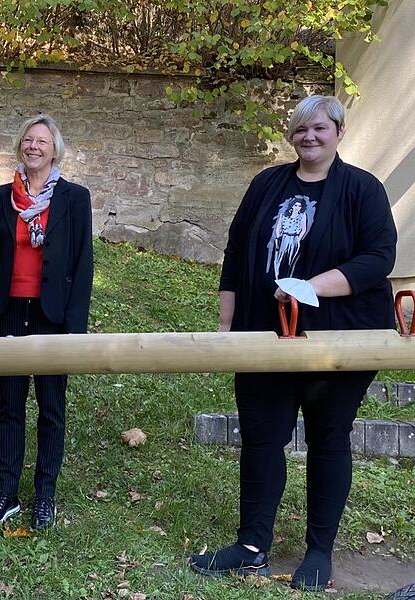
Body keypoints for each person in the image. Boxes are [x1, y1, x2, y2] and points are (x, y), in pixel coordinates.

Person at [189, 95, 397, 590]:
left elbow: (378, 258)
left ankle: (319, 552)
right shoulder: (266, 184)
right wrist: (226, 322)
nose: (309, 137)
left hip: (338, 336)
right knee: (261, 437)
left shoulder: (362, 190)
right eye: (300, 129)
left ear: (338, 131)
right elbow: (237, 248)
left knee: (328, 437)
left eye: (319, 128)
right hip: (264, 334)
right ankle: (251, 546)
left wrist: (313, 286)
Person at [0, 114, 93, 530]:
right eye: (28, 140)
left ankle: (45, 495)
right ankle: (6, 493)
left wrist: (76, 330)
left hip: (53, 315)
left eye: (42, 141)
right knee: (9, 406)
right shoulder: (3, 196)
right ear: (20, 147)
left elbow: (83, 265)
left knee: (51, 409)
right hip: (10, 312)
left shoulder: (75, 199)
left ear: (55, 150)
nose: (34, 146)